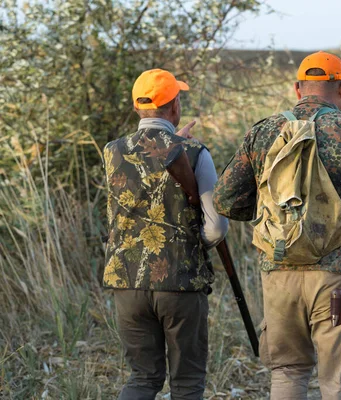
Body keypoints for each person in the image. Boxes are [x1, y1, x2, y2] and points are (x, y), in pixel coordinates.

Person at [213, 51, 341, 399]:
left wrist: (271, 219)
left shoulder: (263, 132)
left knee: (288, 373)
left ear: (297, 89)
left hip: (278, 273)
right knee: (340, 381)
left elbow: (225, 200)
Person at [102, 68, 228, 399]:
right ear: (174, 107)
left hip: (127, 282)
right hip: (180, 282)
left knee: (142, 378)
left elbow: (145, 164)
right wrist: (191, 245)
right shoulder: (196, 152)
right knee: (186, 383)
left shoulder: (112, 150)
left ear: (136, 107)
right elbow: (215, 227)